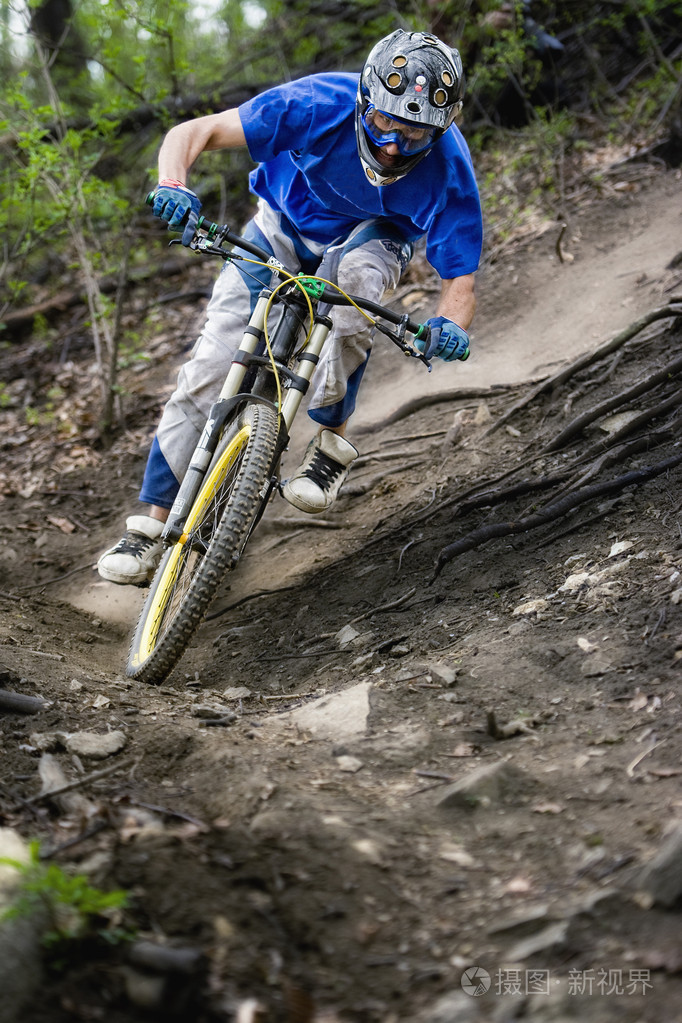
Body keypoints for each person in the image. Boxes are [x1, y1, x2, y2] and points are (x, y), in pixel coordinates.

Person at [97, 28, 483, 586]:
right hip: (280, 225)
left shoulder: (449, 165)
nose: (393, 146)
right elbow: (194, 131)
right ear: (364, 100)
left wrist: (449, 325)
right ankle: (150, 526)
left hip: (374, 237)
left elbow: (460, 279)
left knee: (355, 291)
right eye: (383, 122)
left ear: (440, 130)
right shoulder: (316, 102)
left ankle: (329, 446)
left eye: (414, 134)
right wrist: (173, 182)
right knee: (210, 365)